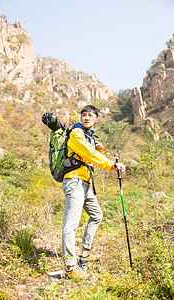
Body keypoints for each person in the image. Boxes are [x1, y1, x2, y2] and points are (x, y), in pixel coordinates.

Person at [62, 105, 125, 280]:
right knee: (71, 224)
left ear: (96, 119)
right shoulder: (76, 133)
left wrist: (99, 151)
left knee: (97, 215)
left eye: (90, 115)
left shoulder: (88, 136)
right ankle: (70, 265)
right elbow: (87, 153)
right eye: (84, 115)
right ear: (80, 118)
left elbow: (87, 156)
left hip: (85, 182)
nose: (86, 118)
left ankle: (84, 253)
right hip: (74, 181)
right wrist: (111, 164)